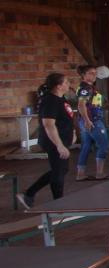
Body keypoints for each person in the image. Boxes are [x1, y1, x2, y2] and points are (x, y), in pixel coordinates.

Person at [17, 73, 74, 208]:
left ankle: (29, 193)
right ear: (59, 86)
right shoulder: (50, 101)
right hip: (53, 141)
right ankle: (59, 204)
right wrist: (59, 145)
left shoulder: (61, 99)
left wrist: (72, 133)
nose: (68, 85)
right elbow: (49, 125)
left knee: (61, 170)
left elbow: (66, 118)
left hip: (62, 139)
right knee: (59, 172)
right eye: (66, 82)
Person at [75, 64, 109, 181]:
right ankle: (100, 173)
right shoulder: (86, 89)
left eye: (95, 73)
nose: (94, 75)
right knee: (104, 145)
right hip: (93, 121)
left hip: (88, 120)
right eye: (91, 73)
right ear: (83, 75)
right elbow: (81, 105)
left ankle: (80, 174)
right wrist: (87, 120)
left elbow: (93, 105)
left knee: (86, 146)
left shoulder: (89, 88)